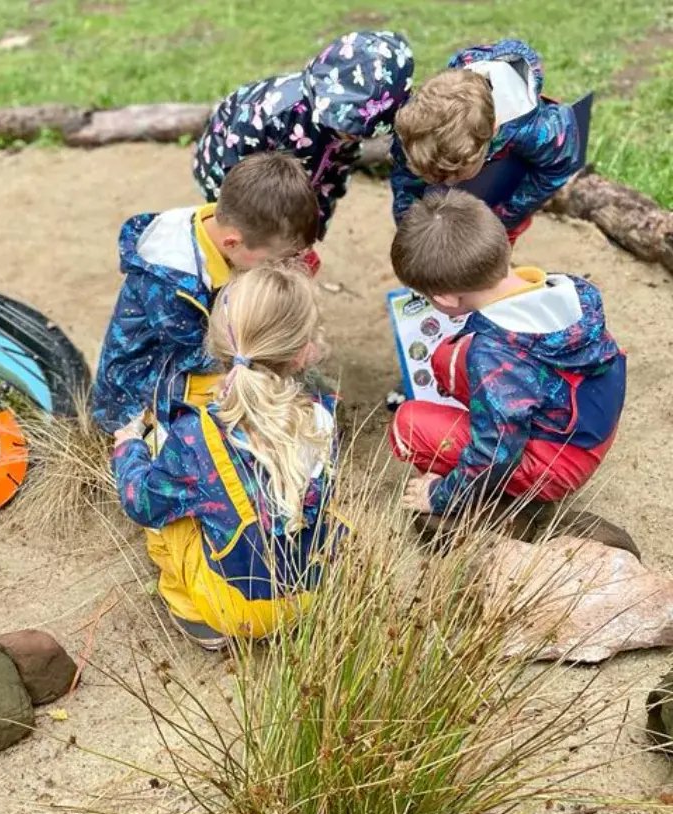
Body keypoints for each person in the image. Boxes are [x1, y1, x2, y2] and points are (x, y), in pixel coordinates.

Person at [111, 263, 339, 650]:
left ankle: (199, 617)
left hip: (241, 607)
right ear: (303, 353)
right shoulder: (321, 414)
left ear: (217, 343)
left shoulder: (195, 435)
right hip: (316, 584)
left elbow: (139, 502)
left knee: (165, 504)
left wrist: (128, 447)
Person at [388, 189, 625, 518]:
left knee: (408, 425)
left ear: (445, 299)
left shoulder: (494, 355)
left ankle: (500, 505)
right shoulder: (567, 286)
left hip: (559, 459)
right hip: (588, 417)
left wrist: (440, 496)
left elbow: (497, 451)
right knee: (449, 356)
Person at [91, 153, 320, 434]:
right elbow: (206, 355)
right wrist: (280, 352)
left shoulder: (224, 223)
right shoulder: (172, 286)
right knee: (246, 405)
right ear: (233, 243)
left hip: (176, 363)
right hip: (138, 392)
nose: (279, 267)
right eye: (273, 260)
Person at [193, 30, 413, 240]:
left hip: (303, 176)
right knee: (243, 232)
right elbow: (237, 184)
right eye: (348, 124)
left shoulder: (346, 137)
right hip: (228, 169)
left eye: (361, 130)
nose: (352, 134)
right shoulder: (270, 114)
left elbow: (333, 180)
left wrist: (310, 233)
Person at [390, 39, 581, 245]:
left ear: (493, 131)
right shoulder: (414, 125)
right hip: (471, 77)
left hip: (512, 95)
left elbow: (560, 165)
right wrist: (408, 221)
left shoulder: (535, 130)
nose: (447, 183)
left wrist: (506, 217)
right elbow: (405, 175)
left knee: (498, 232)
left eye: (455, 175)